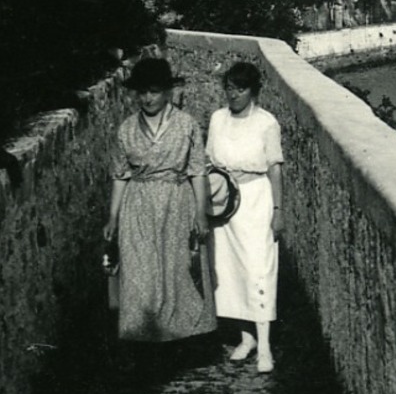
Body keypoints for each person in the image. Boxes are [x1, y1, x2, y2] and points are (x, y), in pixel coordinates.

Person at [104, 57, 217, 345]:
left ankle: (178, 339)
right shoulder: (126, 129)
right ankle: (143, 338)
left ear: (167, 92)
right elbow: (120, 175)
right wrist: (114, 217)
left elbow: (197, 171)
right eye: (142, 92)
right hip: (138, 207)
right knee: (140, 273)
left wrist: (201, 214)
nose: (147, 98)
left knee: (176, 270)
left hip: (176, 204)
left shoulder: (186, 125)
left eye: (153, 91)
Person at [206, 60, 284, 373]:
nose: (234, 94)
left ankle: (265, 345)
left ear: (253, 91)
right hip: (225, 202)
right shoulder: (217, 119)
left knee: (258, 267)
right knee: (230, 270)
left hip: (255, 199)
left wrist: (278, 211)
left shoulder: (267, 123)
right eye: (230, 88)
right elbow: (209, 161)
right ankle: (246, 336)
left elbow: (275, 168)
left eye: (241, 89)